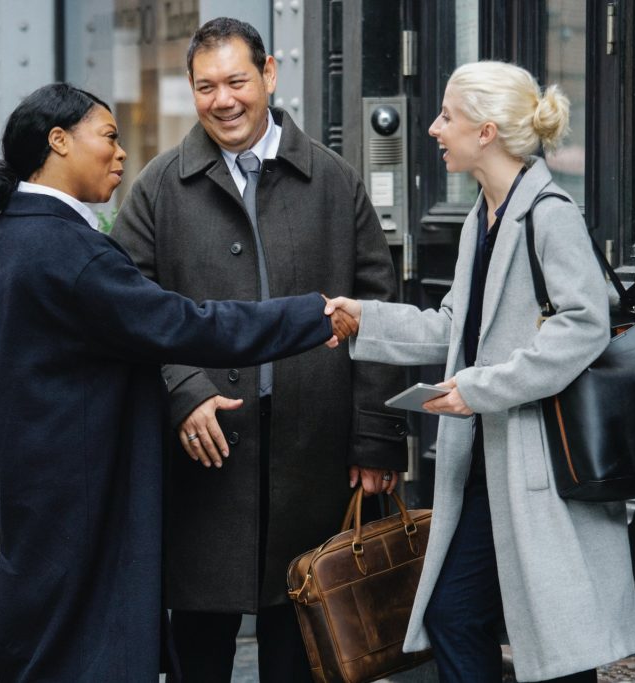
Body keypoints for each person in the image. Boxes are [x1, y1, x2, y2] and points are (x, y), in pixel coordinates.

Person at [0, 83, 356, 682]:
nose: (121, 154)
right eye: (109, 137)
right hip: (86, 512)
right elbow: (183, 325)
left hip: (28, 510)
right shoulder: (69, 253)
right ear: (59, 141)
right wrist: (308, 314)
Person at [325, 61, 635, 682]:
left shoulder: (549, 213)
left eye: (448, 116)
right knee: (454, 616)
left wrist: (478, 390)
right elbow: (455, 327)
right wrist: (366, 318)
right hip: (487, 466)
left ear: (487, 131)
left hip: (541, 467)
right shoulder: (484, 216)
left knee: (558, 645)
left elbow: (584, 327)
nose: (435, 129)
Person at [112, 17, 407, 683]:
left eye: (237, 80)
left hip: (316, 454)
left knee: (303, 652)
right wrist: (183, 392)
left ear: (269, 74)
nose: (224, 100)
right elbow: (126, 311)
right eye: (206, 86)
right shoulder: (159, 188)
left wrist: (376, 439)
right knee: (198, 656)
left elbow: (378, 309)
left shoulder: (334, 180)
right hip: (202, 466)